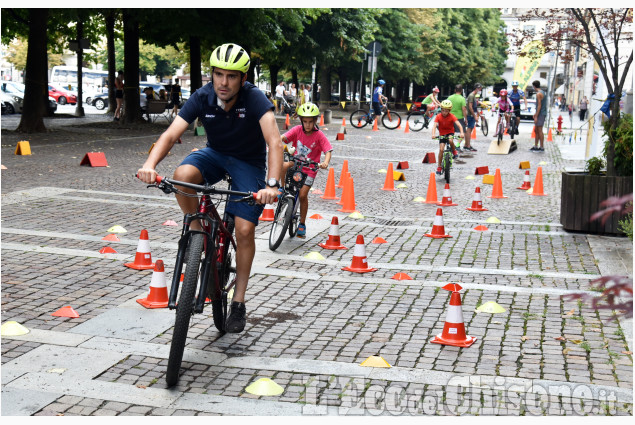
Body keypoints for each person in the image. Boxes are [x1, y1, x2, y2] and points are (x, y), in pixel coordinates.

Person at [136, 43, 282, 333]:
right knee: (183, 174)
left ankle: (238, 301)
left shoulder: (254, 99)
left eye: (230, 76)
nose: (223, 82)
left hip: (248, 162)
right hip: (215, 154)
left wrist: (272, 185)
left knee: (243, 230)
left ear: (243, 78)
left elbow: (274, 142)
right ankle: (197, 229)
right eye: (217, 74)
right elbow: (170, 134)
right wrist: (150, 165)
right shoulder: (202, 96)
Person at [280, 103, 332, 238]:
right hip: (296, 163)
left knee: (302, 195)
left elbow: (328, 150)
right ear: (301, 121)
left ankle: (302, 223)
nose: (308, 125)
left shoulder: (319, 135)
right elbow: (284, 138)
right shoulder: (297, 130)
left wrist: (325, 162)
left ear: (315, 121)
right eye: (305, 122)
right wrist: (278, 140)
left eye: (310, 122)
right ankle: (281, 189)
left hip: (310, 169)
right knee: (284, 165)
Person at [431, 99, 464, 175]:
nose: (444, 112)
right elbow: (434, 126)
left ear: (449, 111)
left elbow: (459, 125)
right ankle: (439, 166)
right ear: (441, 110)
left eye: (446, 111)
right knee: (441, 149)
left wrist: (462, 133)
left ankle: (454, 150)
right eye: (443, 110)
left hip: (450, 132)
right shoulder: (438, 116)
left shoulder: (452, 116)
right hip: (442, 134)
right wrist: (433, 134)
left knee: (450, 140)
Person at [447, 84, 476, 151]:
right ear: (461, 91)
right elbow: (463, 109)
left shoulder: (450, 97)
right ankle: (457, 145)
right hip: (459, 118)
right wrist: (465, 119)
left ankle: (450, 145)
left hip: (450, 117)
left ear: (455, 90)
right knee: (462, 132)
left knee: (451, 132)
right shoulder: (462, 99)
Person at [531, 80, 547, 151]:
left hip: (541, 113)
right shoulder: (543, 92)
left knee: (539, 130)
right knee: (536, 130)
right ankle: (536, 145)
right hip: (541, 113)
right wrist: (535, 113)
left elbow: (539, 106)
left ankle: (541, 146)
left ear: (534, 86)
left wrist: (536, 116)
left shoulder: (538, 94)